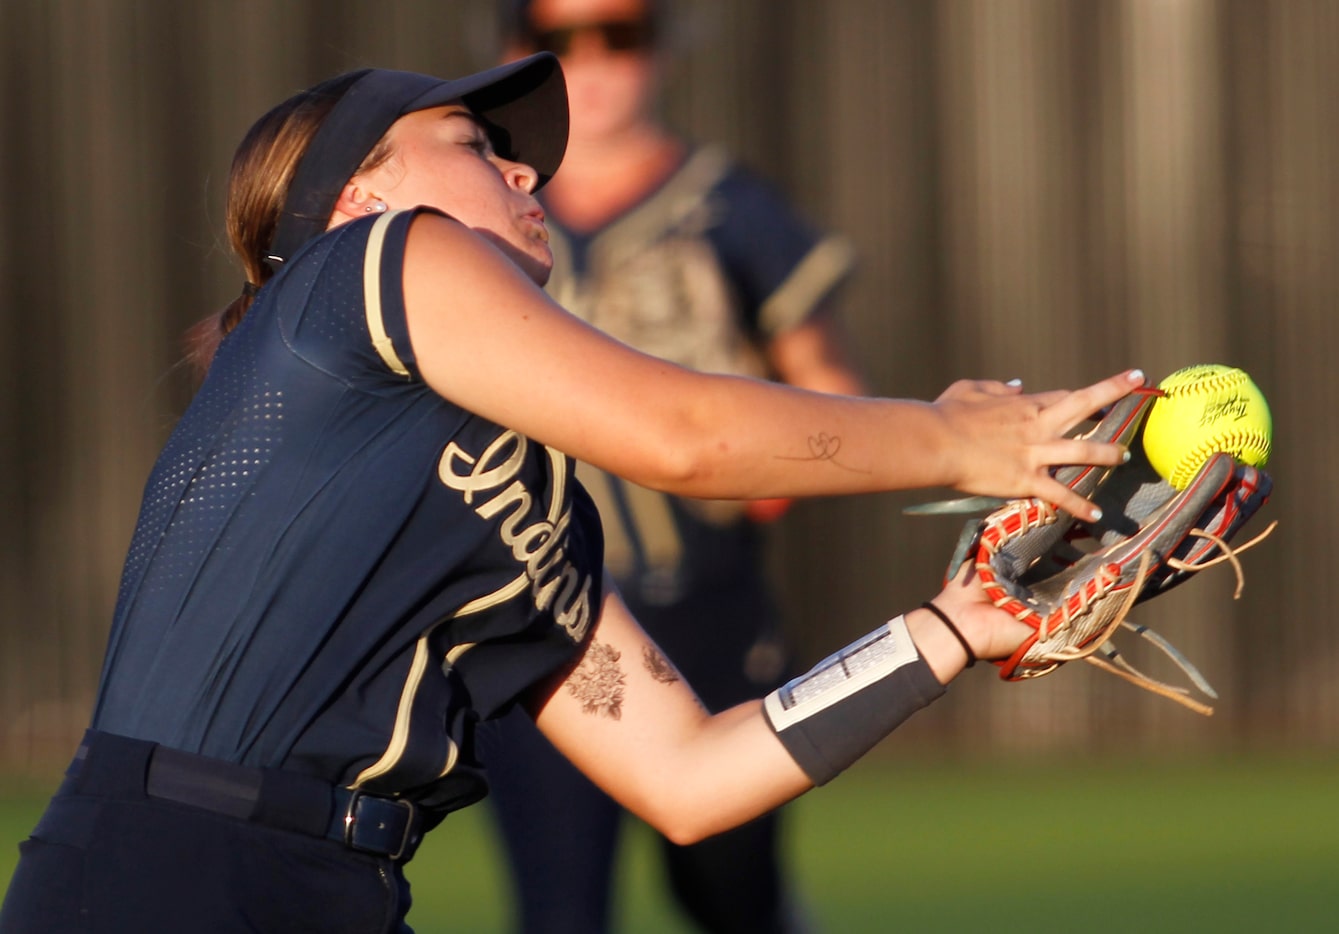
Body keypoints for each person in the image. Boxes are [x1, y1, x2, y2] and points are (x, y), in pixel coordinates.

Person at [0, 47, 1143, 934]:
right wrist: (952, 440)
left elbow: (692, 774)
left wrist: (949, 629)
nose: (520, 168)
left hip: (331, 888)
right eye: (469, 140)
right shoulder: (367, 265)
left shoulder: (521, 514)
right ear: (355, 198)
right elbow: (684, 436)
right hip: (169, 870)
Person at [481, 2, 866, 931]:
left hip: (705, 600)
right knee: (560, 905)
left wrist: (795, 453)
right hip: (536, 609)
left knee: (730, 890)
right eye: (558, 38)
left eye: (623, 34)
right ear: (508, 52)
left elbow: (827, 383)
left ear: (662, 48)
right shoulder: (474, 217)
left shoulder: (728, 204)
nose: (595, 62)